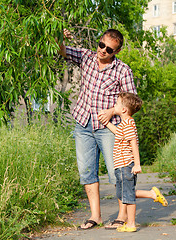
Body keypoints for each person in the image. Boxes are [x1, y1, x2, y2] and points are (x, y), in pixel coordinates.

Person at [58, 28, 137, 230]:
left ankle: (122, 215)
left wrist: (112, 111)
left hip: (109, 129)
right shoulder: (86, 57)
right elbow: (62, 51)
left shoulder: (123, 70)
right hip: (83, 123)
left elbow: (132, 103)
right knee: (87, 172)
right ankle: (96, 216)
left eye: (108, 49)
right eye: (101, 45)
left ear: (116, 52)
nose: (102, 51)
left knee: (117, 173)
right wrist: (59, 37)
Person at [101, 92, 168, 232]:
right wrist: (106, 123)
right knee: (123, 194)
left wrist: (137, 164)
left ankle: (131, 224)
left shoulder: (129, 124)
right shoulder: (123, 124)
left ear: (124, 109)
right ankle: (152, 194)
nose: (115, 105)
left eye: (117, 103)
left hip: (126, 165)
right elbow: (117, 132)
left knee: (128, 195)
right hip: (120, 166)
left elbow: (134, 144)